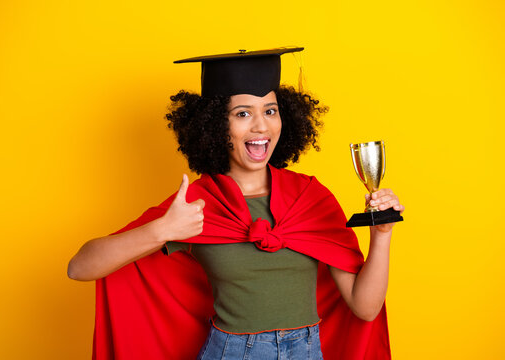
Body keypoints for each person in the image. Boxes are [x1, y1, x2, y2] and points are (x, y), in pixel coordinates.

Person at [68, 47, 405, 360]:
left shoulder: (310, 198)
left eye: (270, 111)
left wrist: (382, 234)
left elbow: (365, 307)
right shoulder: (198, 203)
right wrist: (162, 230)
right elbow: (80, 267)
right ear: (216, 126)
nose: (261, 125)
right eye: (242, 113)